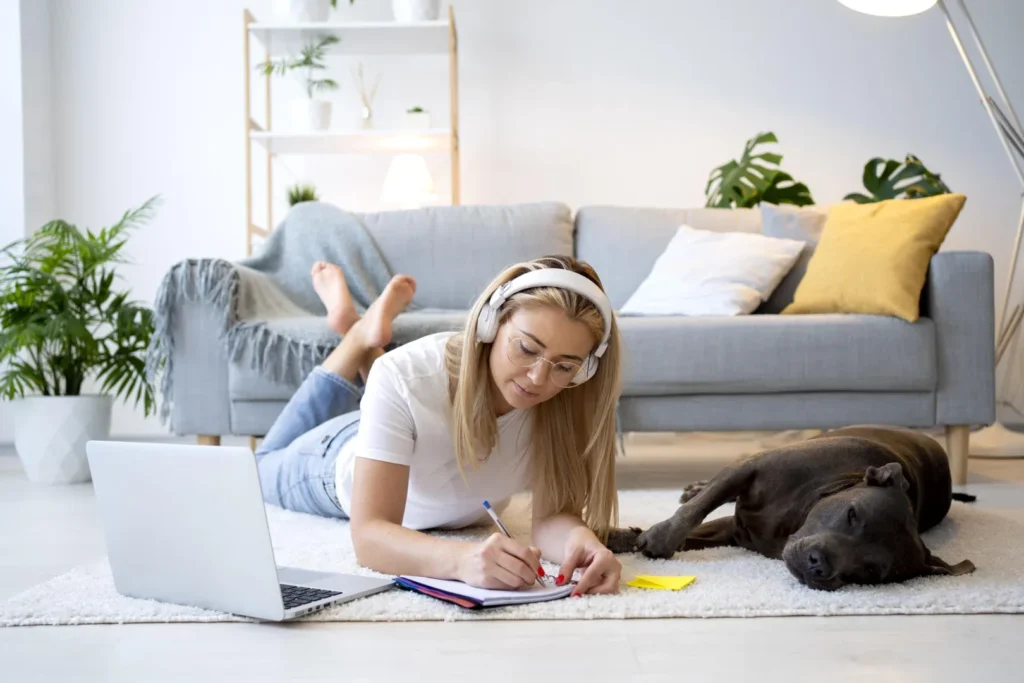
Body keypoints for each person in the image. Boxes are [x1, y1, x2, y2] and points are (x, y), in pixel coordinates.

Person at [255, 255, 624, 596]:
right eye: (527, 349)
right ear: (489, 325)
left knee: (399, 388)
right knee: (260, 464)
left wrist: (582, 541)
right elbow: (369, 537)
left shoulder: (568, 400)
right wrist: (461, 560)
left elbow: (551, 518)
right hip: (333, 461)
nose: (538, 378)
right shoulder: (405, 374)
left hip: (402, 422)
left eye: (564, 366)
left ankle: (362, 335)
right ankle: (354, 336)